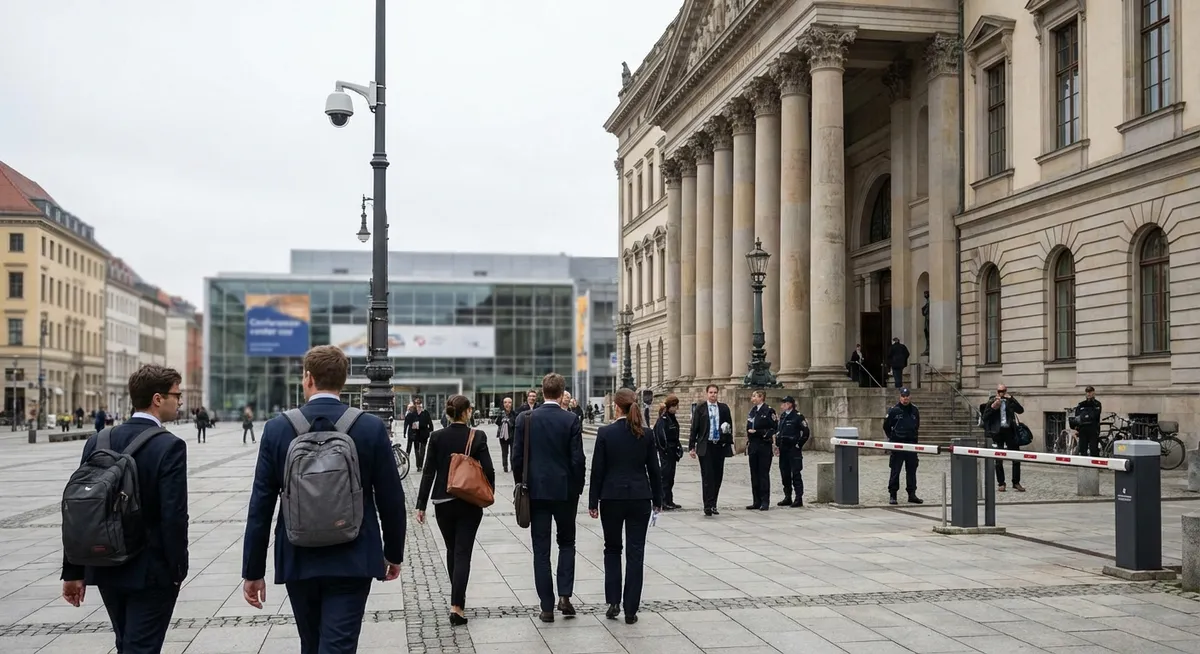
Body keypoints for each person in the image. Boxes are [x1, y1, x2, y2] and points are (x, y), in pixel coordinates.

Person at [241, 345, 406, 654]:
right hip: (354, 554)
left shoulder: (278, 429)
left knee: (311, 643)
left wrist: (253, 570)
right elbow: (391, 499)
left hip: (298, 555)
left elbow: (260, 505)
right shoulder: (369, 427)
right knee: (339, 644)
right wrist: (393, 553)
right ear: (343, 381)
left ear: (308, 379)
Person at [61, 365, 189, 654]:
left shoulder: (99, 440)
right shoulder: (169, 445)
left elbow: (79, 509)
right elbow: (174, 515)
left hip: (104, 562)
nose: (179, 401)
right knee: (141, 646)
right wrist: (177, 568)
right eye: (176, 395)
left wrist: (74, 571)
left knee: (126, 642)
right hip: (150, 568)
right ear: (158, 399)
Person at [512, 372, 586, 623]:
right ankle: (564, 595)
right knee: (567, 543)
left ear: (543, 392)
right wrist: (578, 487)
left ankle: (546, 606)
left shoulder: (526, 419)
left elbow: (517, 458)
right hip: (565, 492)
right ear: (561, 392)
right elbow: (578, 459)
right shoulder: (571, 420)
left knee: (540, 549)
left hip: (536, 491)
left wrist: (520, 485)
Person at [416, 395, 495, 626]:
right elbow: (488, 469)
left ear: (449, 413)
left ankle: (456, 597)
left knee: (452, 549)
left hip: (443, 502)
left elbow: (428, 472)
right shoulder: (477, 436)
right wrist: (488, 492)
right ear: (468, 412)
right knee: (463, 552)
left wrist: (420, 505)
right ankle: (457, 605)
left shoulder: (436, 436)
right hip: (469, 502)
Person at [588, 387, 662, 625]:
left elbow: (597, 471)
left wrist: (593, 501)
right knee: (635, 552)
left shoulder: (606, 433)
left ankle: (613, 602)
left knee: (612, 549)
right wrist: (658, 500)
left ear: (616, 407)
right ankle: (631, 609)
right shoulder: (646, 433)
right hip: (640, 497)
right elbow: (654, 470)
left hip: (611, 497)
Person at [688, 384, 733, 516]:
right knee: (708, 476)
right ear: (707, 394)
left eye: (715, 392)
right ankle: (707, 505)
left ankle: (714, 503)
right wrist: (692, 446)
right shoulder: (701, 408)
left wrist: (729, 443)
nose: (713, 395)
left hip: (719, 445)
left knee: (718, 475)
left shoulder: (723, 408)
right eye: (711, 392)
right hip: (705, 445)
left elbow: (729, 426)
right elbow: (694, 427)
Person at [981, 383, 1025, 492]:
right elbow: (985, 417)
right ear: (997, 392)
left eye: (1003, 391)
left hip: (1010, 431)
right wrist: (993, 407)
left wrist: (1012, 399)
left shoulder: (1009, 401)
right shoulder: (992, 401)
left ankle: (1016, 482)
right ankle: (1001, 483)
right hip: (998, 432)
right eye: (1000, 391)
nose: (1002, 393)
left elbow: (1020, 410)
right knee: (999, 459)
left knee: (1016, 457)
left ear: (1006, 391)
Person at [882, 388, 923, 505]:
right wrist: (893, 438)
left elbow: (916, 426)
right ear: (900, 397)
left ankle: (912, 494)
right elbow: (886, 426)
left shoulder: (914, 410)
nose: (905, 398)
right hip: (898, 445)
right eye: (903, 396)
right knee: (895, 470)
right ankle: (893, 494)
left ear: (910, 397)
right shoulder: (894, 410)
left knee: (911, 470)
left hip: (911, 444)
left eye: (907, 396)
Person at [775, 396, 809, 507]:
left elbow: (805, 432)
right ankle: (787, 496)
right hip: (784, 449)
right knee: (785, 474)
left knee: (795, 474)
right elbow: (779, 432)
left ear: (790, 404)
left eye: (784, 404)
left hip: (793, 449)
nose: (782, 406)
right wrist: (777, 446)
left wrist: (798, 445)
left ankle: (798, 498)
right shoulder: (783, 416)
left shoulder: (797, 417)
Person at [745, 390, 776, 511]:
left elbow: (773, 428)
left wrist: (759, 433)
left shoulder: (768, 410)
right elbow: (749, 424)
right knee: (754, 474)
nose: (752, 398)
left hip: (764, 445)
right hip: (753, 445)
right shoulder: (753, 411)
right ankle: (756, 500)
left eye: (754, 396)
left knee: (763, 474)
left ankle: (765, 501)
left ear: (761, 397)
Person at [653, 395, 683, 510]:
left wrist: (678, 447)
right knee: (665, 477)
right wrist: (664, 449)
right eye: (675, 406)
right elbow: (660, 436)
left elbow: (675, 435)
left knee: (670, 477)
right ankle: (663, 501)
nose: (676, 408)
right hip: (666, 452)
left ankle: (669, 500)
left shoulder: (672, 418)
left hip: (672, 451)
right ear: (670, 406)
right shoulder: (663, 419)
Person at [405, 397, 434, 472]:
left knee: (422, 450)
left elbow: (430, 423)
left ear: (421, 404)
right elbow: (409, 422)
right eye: (416, 404)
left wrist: (430, 430)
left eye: (419, 403)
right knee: (417, 451)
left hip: (424, 434)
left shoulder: (425, 413)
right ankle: (419, 466)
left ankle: (420, 464)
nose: (418, 405)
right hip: (416, 434)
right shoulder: (413, 413)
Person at [1074, 386, 1102, 457]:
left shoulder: (1097, 404)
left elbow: (1095, 415)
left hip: (1093, 429)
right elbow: (1077, 417)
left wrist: (1085, 416)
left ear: (1093, 393)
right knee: (1083, 450)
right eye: (1087, 392)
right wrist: (1077, 428)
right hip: (1083, 429)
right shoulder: (1081, 404)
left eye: (1090, 392)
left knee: (1094, 450)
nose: (1088, 394)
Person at [494, 397, 517, 472]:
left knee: (513, 452)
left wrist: (509, 421)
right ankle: (505, 466)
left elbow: (515, 423)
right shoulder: (500, 413)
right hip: (502, 435)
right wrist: (502, 419)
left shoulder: (514, 413)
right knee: (504, 452)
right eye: (505, 402)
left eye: (509, 402)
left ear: (511, 404)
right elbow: (497, 422)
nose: (507, 404)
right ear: (503, 404)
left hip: (512, 435)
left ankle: (513, 466)